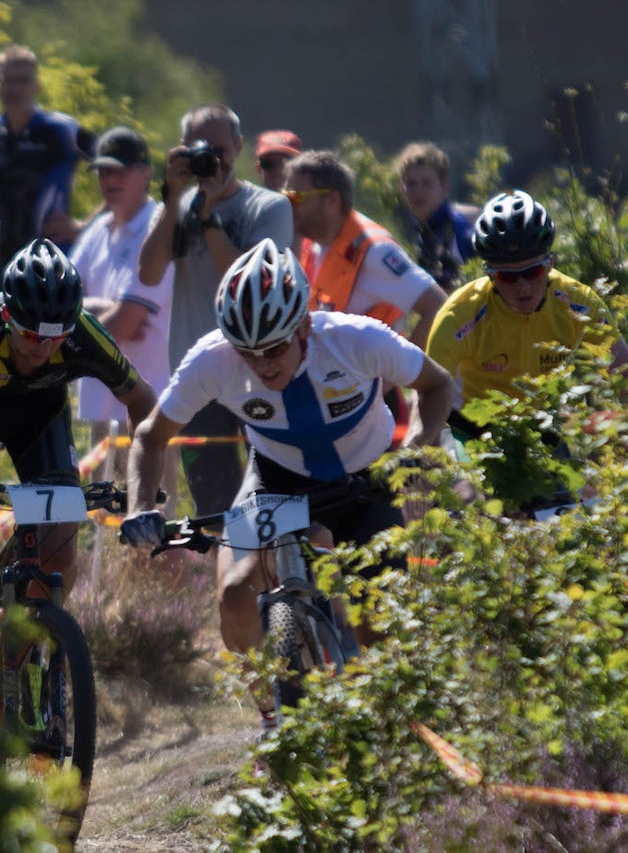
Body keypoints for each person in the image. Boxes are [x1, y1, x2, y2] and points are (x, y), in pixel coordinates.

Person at [120, 239, 456, 733]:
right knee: (235, 597)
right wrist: (140, 506)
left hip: (367, 480)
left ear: (303, 326)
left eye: (275, 347)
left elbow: (438, 384)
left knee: (379, 627)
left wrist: (416, 452)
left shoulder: (358, 339)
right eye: (248, 352)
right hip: (278, 480)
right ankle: (273, 723)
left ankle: (396, 732)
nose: (263, 363)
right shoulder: (212, 359)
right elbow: (151, 436)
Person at [0, 239, 157, 752]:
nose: (42, 349)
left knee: (58, 559)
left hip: (39, 422)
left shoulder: (84, 336)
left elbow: (143, 402)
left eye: (55, 339)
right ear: (6, 315)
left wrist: (141, 487)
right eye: (30, 335)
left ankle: (26, 658)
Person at [138, 104, 294, 516]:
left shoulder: (269, 208)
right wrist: (174, 200)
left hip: (260, 370)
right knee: (213, 504)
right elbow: (149, 274)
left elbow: (252, 282)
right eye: (200, 149)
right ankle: (224, 559)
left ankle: (273, 560)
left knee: (276, 497)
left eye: (220, 150)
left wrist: (208, 219)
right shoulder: (177, 207)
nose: (213, 160)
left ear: (239, 146)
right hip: (199, 375)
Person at [426, 189, 628, 411]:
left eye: (533, 272)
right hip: (472, 427)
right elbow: (428, 398)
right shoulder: (459, 314)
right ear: (490, 275)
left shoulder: (578, 303)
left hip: (544, 421)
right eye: (507, 276)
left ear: (550, 264)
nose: (522, 286)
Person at [69, 126, 174, 446]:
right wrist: (103, 308)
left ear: (146, 173)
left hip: (148, 408)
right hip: (101, 407)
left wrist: (80, 319)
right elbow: (61, 301)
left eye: (120, 171)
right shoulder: (98, 230)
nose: (110, 180)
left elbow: (124, 324)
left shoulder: (158, 230)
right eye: (103, 171)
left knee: (147, 483)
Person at [285, 150, 446, 349]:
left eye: (297, 197)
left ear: (332, 200)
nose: (288, 204)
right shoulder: (311, 244)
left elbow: (438, 306)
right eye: (286, 195)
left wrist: (411, 366)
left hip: (375, 369)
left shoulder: (374, 251)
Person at [0, 45, 96, 285]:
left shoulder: (61, 129)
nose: (15, 88)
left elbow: (122, 166)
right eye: (8, 80)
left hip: (52, 264)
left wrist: (85, 227)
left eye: (23, 80)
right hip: (7, 262)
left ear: (37, 85)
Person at [393, 141, 481, 294]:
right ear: (401, 188)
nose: (418, 191)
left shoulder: (459, 228)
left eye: (426, 183)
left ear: (444, 186)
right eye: (411, 184)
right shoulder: (422, 230)